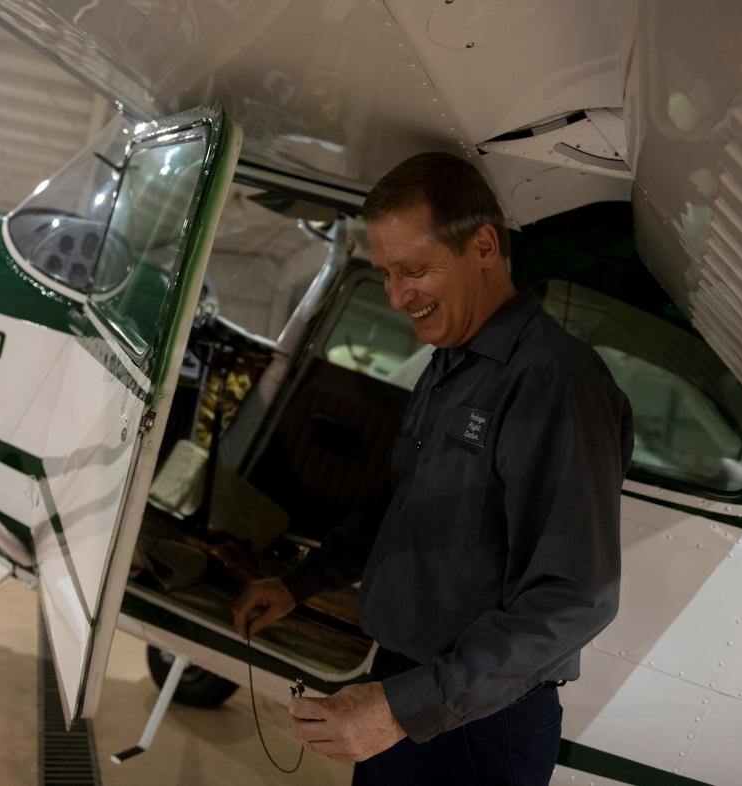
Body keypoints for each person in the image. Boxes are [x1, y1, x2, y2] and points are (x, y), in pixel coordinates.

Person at [232, 152, 634, 785]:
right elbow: (400, 509)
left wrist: (403, 708)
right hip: (404, 687)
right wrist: (299, 584)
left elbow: (575, 597)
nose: (396, 296)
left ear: (483, 246)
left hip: (474, 724)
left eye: (414, 270)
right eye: (386, 274)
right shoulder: (450, 362)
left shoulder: (554, 381)